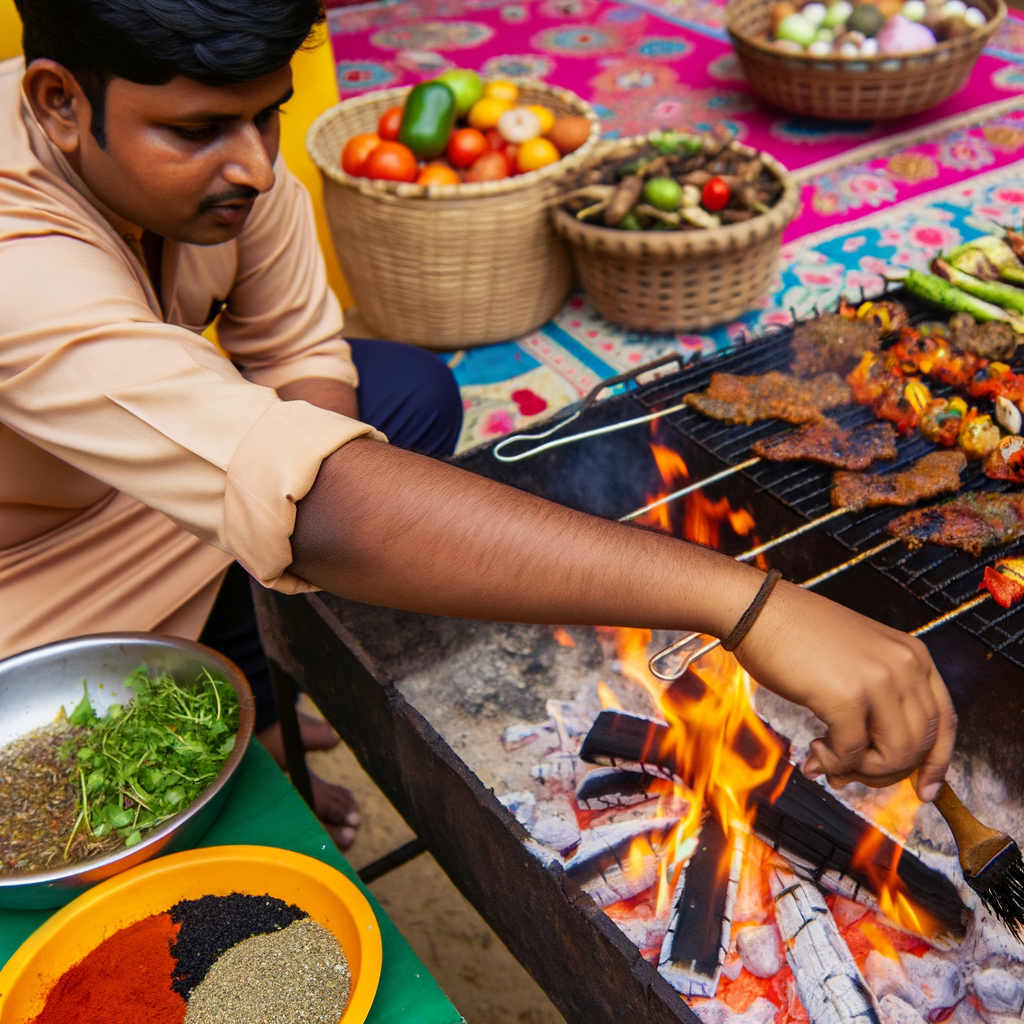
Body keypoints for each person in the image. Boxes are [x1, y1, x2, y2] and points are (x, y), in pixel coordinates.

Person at [0, 0, 955, 853]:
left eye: (267, 116)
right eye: (199, 129)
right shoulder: (19, 262)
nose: (256, 166)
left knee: (401, 396)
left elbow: (299, 364)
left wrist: (307, 544)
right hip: (42, 584)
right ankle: (230, 741)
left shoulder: (223, 162)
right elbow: (320, 496)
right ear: (58, 104)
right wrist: (750, 604)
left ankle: (267, 680)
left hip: (153, 479)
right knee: (323, 505)